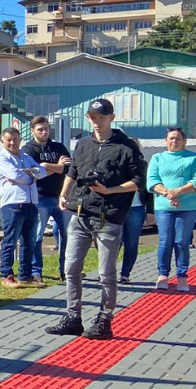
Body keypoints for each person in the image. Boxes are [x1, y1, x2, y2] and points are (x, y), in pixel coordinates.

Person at [46, 97, 147, 340]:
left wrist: (110, 191)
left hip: (109, 216)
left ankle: (105, 320)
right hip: (80, 213)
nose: (97, 122)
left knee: (106, 273)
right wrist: (63, 194)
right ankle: (73, 317)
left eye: (101, 118)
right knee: (71, 268)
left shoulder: (126, 147)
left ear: (112, 118)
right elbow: (73, 171)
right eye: (93, 118)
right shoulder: (82, 144)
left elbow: (139, 181)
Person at [148, 126, 196, 293]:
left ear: (184, 141)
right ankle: (163, 274)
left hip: (187, 207)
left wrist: (177, 192)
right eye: (171, 138)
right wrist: (168, 194)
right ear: (166, 141)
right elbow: (152, 181)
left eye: (178, 138)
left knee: (181, 242)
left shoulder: (193, 158)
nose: (174, 141)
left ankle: (182, 276)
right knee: (165, 241)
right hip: (164, 207)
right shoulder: (157, 158)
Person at [22, 116, 74, 281]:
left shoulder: (58, 147)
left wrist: (45, 166)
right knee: (37, 237)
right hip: (40, 198)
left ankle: (66, 271)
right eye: (40, 129)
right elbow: (34, 173)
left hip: (61, 197)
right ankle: (36, 271)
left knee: (67, 235)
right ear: (32, 131)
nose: (44, 132)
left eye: (46, 129)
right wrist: (57, 167)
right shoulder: (28, 150)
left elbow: (71, 169)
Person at [0, 128, 46, 289]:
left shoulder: (26, 157)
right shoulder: (1, 158)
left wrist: (29, 173)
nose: (12, 142)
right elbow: (16, 175)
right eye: (8, 139)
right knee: (10, 241)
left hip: (31, 204)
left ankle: (25, 275)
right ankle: (6, 275)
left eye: (15, 139)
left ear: (20, 139)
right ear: (2, 141)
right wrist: (31, 176)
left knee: (29, 242)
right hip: (13, 205)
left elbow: (42, 171)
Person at [119, 137, 152, 285]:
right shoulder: (115, 162)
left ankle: (125, 274)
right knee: (112, 242)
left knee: (131, 243)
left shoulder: (143, 165)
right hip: (117, 208)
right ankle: (107, 272)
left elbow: (148, 189)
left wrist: (150, 210)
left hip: (136, 208)